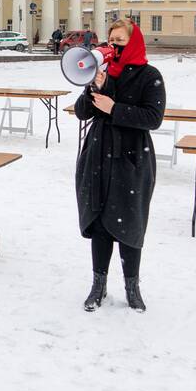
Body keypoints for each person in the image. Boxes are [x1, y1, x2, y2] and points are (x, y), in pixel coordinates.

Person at [73, 18, 165, 312]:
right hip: (98, 154)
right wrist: (93, 89)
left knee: (129, 225)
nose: (113, 48)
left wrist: (115, 108)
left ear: (134, 42)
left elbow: (153, 117)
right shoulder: (102, 72)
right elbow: (81, 112)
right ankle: (97, 286)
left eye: (120, 42)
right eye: (111, 41)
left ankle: (132, 288)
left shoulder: (149, 75)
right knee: (99, 223)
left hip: (131, 157)